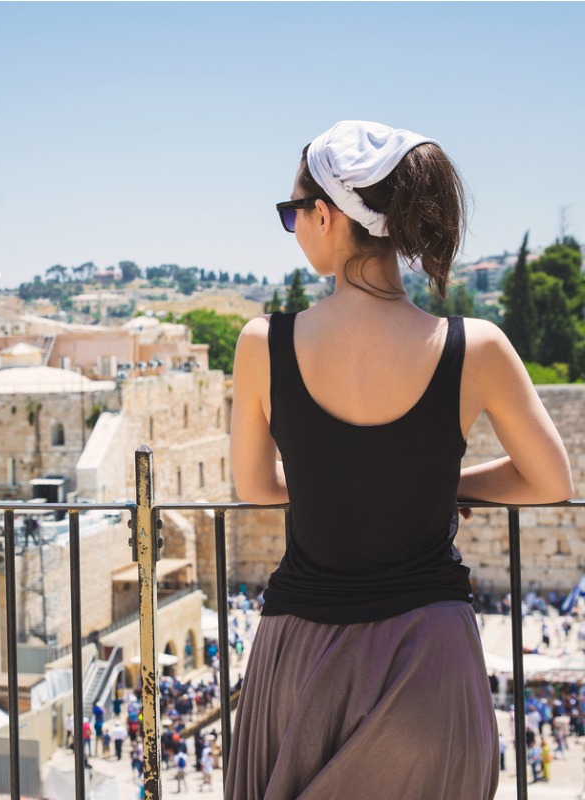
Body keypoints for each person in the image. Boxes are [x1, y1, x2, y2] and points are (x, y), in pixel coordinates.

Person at [225, 120, 573, 800]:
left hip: (303, 657)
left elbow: (256, 486)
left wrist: (336, 481)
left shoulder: (261, 342)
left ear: (325, 215)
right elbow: (550, 480)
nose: (294, 225)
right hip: (431, 661)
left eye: (293, 211)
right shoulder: (477, 347)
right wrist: (441, 486)